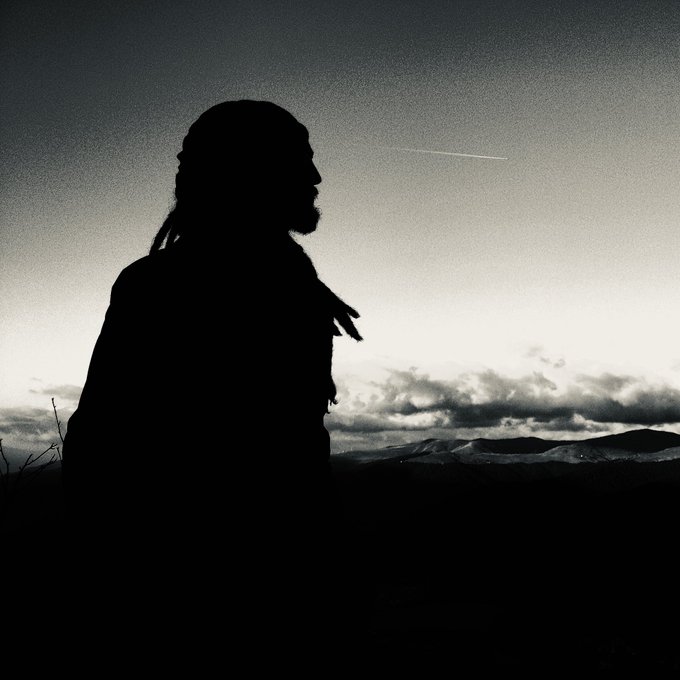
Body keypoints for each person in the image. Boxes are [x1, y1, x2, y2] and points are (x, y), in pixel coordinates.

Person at [61, 100, 362, 667]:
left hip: (272, 584)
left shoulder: (280, 281)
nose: (317, 177)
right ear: (249, 173)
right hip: (203, 597)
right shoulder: (165, 289)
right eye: (300, 161)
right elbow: (103, 447)